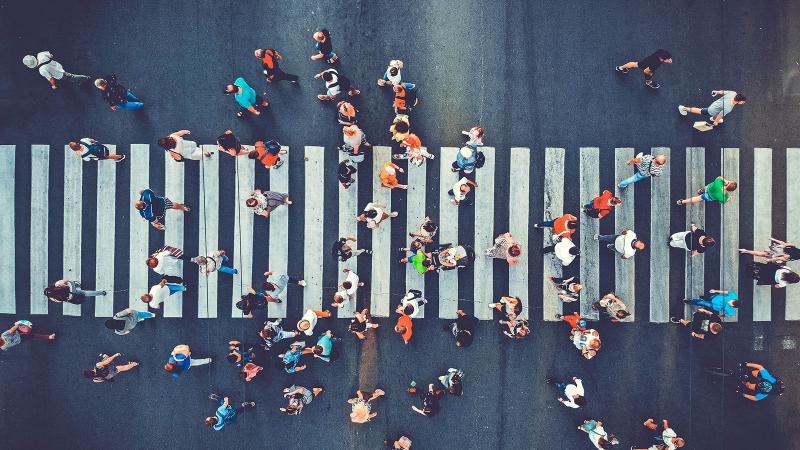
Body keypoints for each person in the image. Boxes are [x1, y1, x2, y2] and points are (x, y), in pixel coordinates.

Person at [23, 51, 89, 89]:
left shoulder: (42, 70)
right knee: (71, 77)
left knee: (72, 77)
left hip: (60, 74)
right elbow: (51, 55)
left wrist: (53, 85)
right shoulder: (40, 54)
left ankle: (86, 78)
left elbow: (51, 79)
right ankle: (81, 80)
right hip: (58, 65)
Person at [678, 90, 746, 127]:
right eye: (743, 102)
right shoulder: (729, 108)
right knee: (699, 110)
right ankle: (683, 108)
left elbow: (723, 92)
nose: (743, 103)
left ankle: (713, 118)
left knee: (717, 114)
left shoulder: (733, 93)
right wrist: (716, 122)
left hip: (716, 105)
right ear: (739, 102)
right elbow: (720, 115)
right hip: (712, 110)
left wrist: (717, 92)